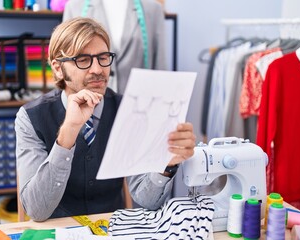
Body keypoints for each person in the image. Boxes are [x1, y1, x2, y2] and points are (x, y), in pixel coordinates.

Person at [15, 17, 196, 222]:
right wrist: (69, 131)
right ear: (58, 68)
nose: (98, 69)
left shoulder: (127, 109)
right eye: (83, 60)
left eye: (103, 57)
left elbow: (147, 200)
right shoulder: (30, 117)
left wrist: (167, 164)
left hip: (113, 229)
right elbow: (36, 211)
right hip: (56, 231)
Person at [63, 0, 167, 94]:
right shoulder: (74, 7)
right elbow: (67, 64)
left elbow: (160, 67)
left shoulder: (153, 10)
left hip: (139, 102)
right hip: (89, 102)